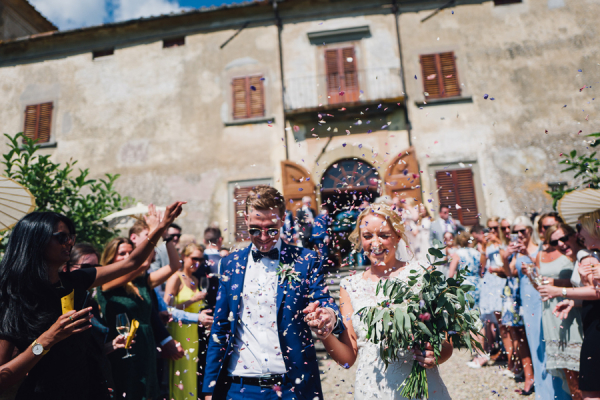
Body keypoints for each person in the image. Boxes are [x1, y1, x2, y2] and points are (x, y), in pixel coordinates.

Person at [0, 202, 184, 400]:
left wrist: (161, 227)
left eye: (71, 237)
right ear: (36, 241)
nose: (69, 242)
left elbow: (132, 263)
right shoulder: (13, 298)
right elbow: (3, 377)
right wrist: (46, 340)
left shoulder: (74, 281)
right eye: (62, 237)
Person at [202, 185, 344, 400]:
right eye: (255, 230)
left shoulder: (305, 260)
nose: (264, 237)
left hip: (291, 387)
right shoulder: (230, 264)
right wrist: (209, 389)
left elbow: (324, 300)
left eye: (272, 228)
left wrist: (329, 315)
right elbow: (220, 327)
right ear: (246, 220)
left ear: (283, 219)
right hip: (240, 387)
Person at [320, 202, 453, 399]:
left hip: (421, 388)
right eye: (367, 236)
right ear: (360, 240)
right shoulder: (349, 285)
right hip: (372, 390)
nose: (375, 243)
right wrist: (325, 334)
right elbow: (348, 359)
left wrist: (435, 353)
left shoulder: (423, 274)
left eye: (384, 235)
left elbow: (446, 342)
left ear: (398, 236)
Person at [97, 207, 186, 400]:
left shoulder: (141, 281)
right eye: (121, 254)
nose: (127, 258)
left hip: (146, 345)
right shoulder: (106, 283)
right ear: (110, 258)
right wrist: (155, 228)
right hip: (123, 346)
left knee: (149, 391)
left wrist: (166, 235)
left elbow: (174, 266)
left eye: (130, 253)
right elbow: (142, 263)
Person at [533, 223, 584, 400]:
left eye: (564, 238)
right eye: (555, 242)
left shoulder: (584, 257)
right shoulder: (569, 255)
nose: (561, 244)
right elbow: (541, 287)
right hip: (558, 313)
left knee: (583, 375)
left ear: (575, 234)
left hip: (578, 318)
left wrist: (558, 287)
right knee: (571, 375)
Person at [164, 243, 211, 400]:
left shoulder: (195, 280)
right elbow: (166, 309)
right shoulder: (175, 278)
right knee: (179, 373)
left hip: (192, 334)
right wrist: (192, 300)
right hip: (178, 332)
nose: (197, 262)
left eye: (201, 259)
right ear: (184, 257)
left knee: (190, 374)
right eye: (194, 258)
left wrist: (201, 314)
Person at [500, 216, 536, 395]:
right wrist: (506, 257)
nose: (520, 234)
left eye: (523, 231)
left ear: (531, 230)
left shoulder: (538, 249)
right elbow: (510, 273)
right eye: (516, 231)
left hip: (537, 299)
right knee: (521, 338)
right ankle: (529, 377)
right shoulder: (517, 252)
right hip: (521, 299)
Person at [448, 231, 485, 370]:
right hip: (477, 285)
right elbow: (481, 271)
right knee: (478, 319)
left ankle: (480, 354)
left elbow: (451, 274)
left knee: (468, 321)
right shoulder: (477, 253)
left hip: (465, 287)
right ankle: (482, 351)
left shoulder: (458, 253)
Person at [479, 217, 510, 365]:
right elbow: (482, 265)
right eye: (489, 228)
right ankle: (503, 351)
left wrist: (497, 240)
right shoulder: (488, 244)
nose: (491, 231)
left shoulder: (503, 242)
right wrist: (484, 247)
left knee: (505, 319)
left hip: (501, 279)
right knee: (496, 318)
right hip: (491, 281)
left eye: (494, 228)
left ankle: (508, 353)